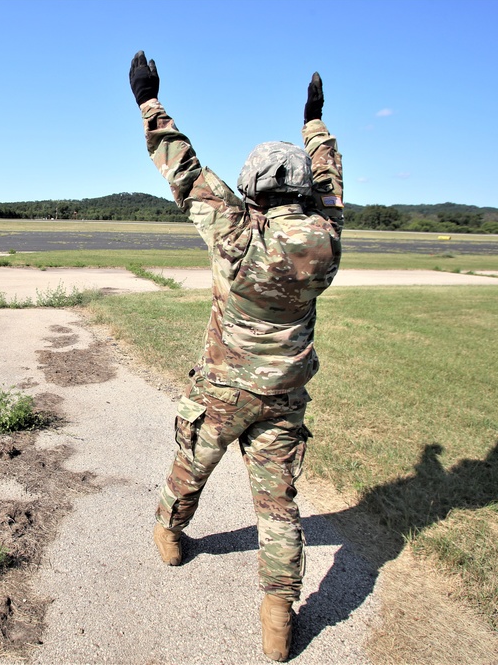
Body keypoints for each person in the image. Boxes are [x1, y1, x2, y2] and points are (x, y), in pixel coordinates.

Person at [129, 51, 343, 662]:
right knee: (277, 507)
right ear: (303, 189)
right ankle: (278, 615)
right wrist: (315, 124)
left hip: (223, 388)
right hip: (282, 395)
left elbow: (184, 168)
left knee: (191, 464)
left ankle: (170, 533)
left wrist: (148, 99)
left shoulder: (235, 230)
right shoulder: (325, 237)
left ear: (253, 190)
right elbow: (329, 181)